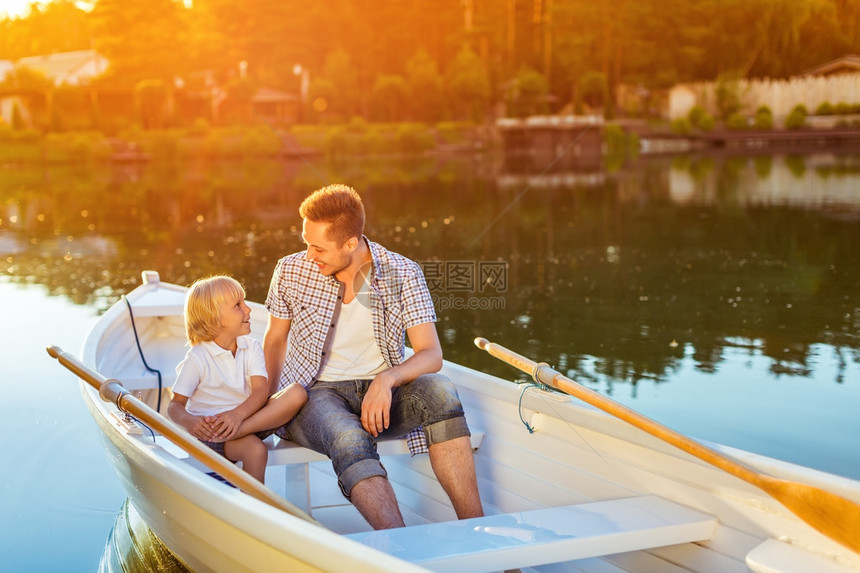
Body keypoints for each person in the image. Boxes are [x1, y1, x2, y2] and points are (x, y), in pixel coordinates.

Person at [264, 184, 484, 529]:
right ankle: (401, 552)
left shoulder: (404, 272)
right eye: (306, 243)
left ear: (350, 243)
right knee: (348, 436)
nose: (308, 254)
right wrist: (267, 405)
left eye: (318, 247)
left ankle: (478, 533)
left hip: (381, 400)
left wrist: (387, 378)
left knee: (440, 390)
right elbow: (274, 340)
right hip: (313, 395)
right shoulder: (290, 270)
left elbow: (431, 354)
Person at [168, 275, 307, 483]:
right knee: (256, 451)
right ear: (214, 318)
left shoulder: (251, 347)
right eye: (237, 305)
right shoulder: (198, 357)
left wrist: (236, 416)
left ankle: (236, 431)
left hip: (248, 421)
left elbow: (261, 391)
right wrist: (189, 421)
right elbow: (174, 406)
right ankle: (252, 510)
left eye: (244, 302)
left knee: (297, 392)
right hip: (214, 434)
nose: (248, 309)